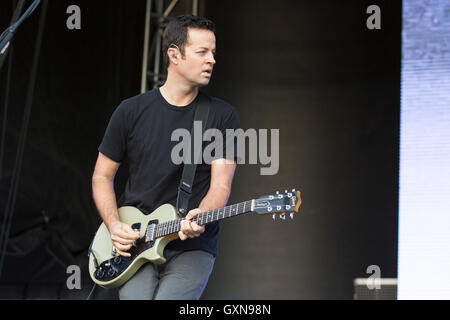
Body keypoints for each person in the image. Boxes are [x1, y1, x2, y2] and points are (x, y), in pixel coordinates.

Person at [91, 15, 240, 300]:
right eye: (202, 52)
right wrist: (113, 225)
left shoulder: (222, 116)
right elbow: (101, 176)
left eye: (213, 53)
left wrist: (202, 213)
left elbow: (221, 185)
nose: (212, 60)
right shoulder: (130, 111)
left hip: (192, 247)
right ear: (174, 55)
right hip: (136, 241)